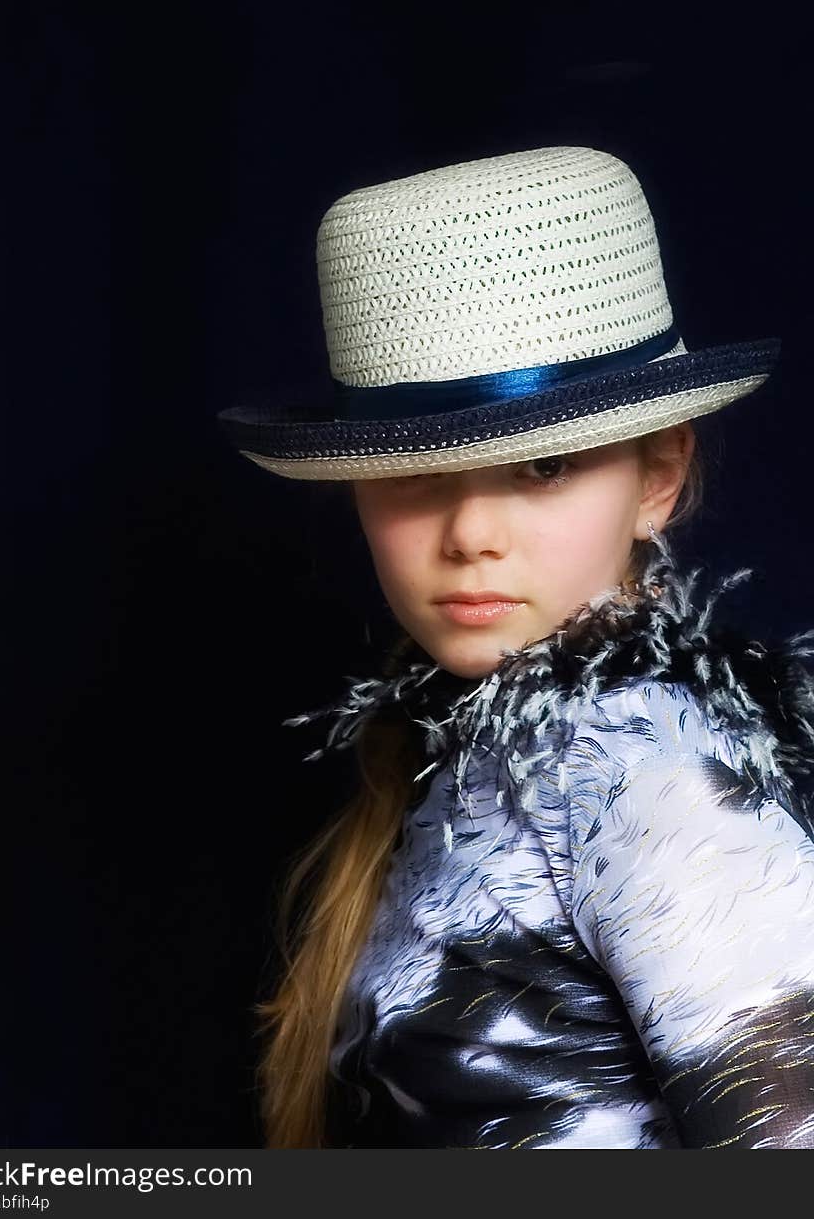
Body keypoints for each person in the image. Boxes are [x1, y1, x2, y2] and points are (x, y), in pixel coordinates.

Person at [217, 146, 814, 1149]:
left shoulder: (638, 758)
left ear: (658, 476)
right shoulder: (464, 759)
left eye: (541, 464)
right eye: (413, 470)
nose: (470, 534)